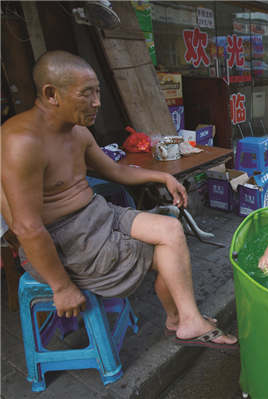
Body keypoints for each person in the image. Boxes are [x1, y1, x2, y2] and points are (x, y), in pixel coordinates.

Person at [0, 51, 237, 349]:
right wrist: (61, 287)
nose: (97, 102)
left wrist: (161, 177)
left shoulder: (78, 132)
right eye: (87, 94)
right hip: (61, 239)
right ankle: (181, 320)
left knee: (170, 230)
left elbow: (114, 170)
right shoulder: (21, 142)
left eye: (97, 92)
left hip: (96, 213)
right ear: (51, 94)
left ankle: (184, 320)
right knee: (168, 254)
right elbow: (26, 227)